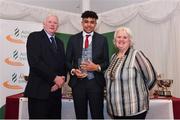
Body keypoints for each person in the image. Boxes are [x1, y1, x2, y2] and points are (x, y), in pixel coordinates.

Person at [104, 27, 157, 119]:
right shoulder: (113, 57)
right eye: (119, 37)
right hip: (116, 110)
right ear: (115, 40)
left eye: (125, 37)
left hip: (134, 110)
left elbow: (152, 77)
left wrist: (139, 92)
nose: (121, 39)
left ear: (130, 40)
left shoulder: (136, 55)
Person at [66, 10, 109, 119]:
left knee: (97, 115)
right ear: (82, 23)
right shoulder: (73, 39)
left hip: (96, 83)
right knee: (80, 116)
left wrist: (97, 67)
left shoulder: (102, 40)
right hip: (78, 84)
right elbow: (66, 61)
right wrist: (73, 71)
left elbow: (106, 62)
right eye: (86, 21)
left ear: (95, 24)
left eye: (92, 22)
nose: (89, 24)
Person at [24, 15, 66, 119]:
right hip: (39, 92)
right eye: (50, 22)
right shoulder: (34, 37)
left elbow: (63, 64)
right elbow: (35, 63)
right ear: (44, 24)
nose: (52, 24)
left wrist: (61, 80)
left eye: (55, 23)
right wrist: (55, 78)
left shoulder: (60, 43)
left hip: (56, 93)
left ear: (58, 26)